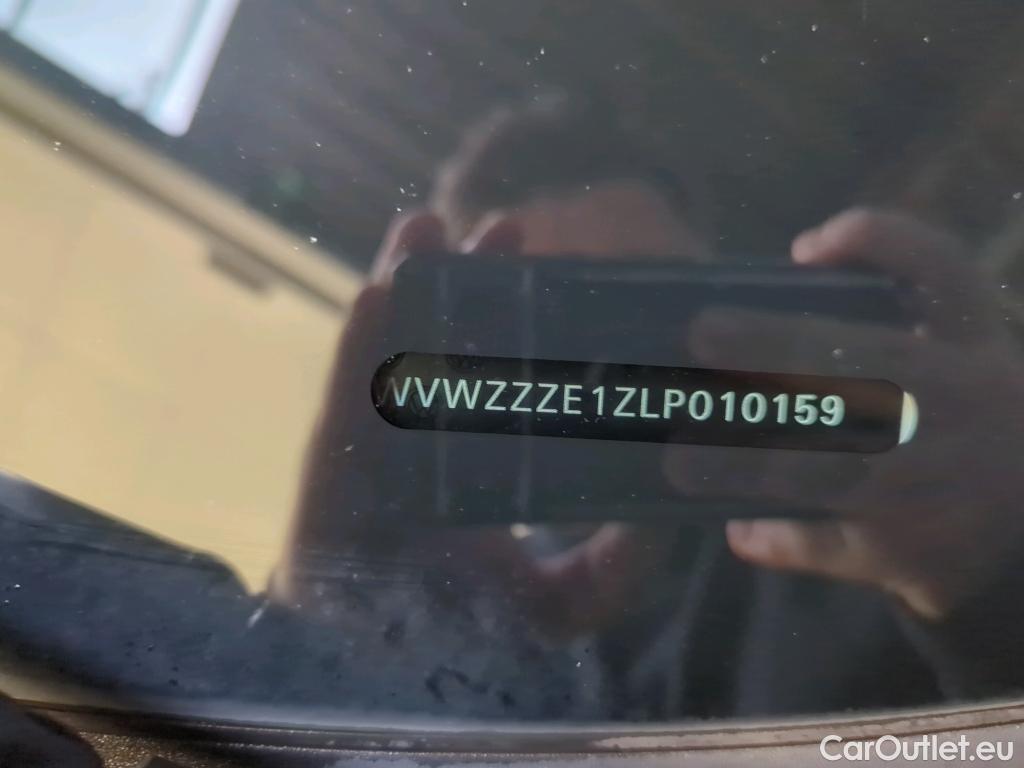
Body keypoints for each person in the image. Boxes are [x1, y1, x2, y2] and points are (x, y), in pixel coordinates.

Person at [272, 94, 1024, 719]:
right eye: (565, 317)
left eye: (656, 307)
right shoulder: (468, 631)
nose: (629, 372)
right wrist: (346, 656)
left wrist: (996, 580)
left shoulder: (886, 531)